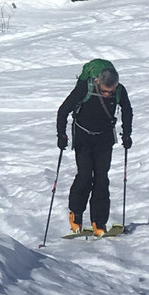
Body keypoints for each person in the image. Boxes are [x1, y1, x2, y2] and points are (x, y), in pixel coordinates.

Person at [57, 59, 131, 235]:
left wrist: (126, 133)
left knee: (101, 178)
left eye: (110, 92)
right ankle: (76, 214)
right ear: (98, 82)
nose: (107, 95)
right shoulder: (85, 88)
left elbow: (127, 110)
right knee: (84, 175)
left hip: (104, 138)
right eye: (105, 92)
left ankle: (99, 221)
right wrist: (61, 134)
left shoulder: (119, 90)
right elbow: (63, 110)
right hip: (83, 136)